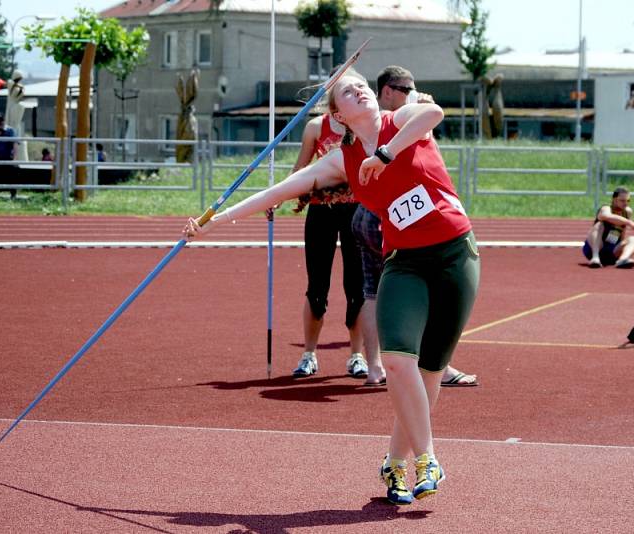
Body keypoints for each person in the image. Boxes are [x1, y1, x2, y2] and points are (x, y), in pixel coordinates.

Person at [184, 68, 480, 505]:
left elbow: (433, 112)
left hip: (456, 256)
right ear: (337, 115)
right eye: (347, 90)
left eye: (360, 84)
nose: (358, 89)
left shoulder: (402, 120)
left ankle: (395, 464)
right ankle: (428, 458)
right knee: (399, 363)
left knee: (429, 374)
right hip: (405, 264)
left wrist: (385, 154)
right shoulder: (341, 160)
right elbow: (281, 190)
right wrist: (215, 222)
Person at [353, 65, 477, 387]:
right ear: (387, 91)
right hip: (387, 219)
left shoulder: (404, 117)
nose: (411, 94)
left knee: (375, 291)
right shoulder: (388, 119)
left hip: (388, 214)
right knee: (406, 291)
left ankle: (378, 366)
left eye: (413, 89)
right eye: (404, 89)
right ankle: (420, 366)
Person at [289, 109, 366, 378]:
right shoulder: (315, 127)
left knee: (357, 283)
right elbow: (301, 168)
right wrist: (275, 196)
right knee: (317, 283)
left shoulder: (363, 123)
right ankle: (308, 354)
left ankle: (357, 355)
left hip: (356, 210)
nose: (353, 95)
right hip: (321, 210)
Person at [582, 186, 634, 268]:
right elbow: (606, 216)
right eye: (622, 200)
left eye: (628, 200)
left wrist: (621, 247)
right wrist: (630, 223)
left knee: (633, 239)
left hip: (612, 251)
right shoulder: (606, 208)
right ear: (614, 200)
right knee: (599, 225)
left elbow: (622, 232)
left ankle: (622, 259)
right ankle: (595, 258)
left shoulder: (627, 212)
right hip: (595, 249)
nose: (626, 203)